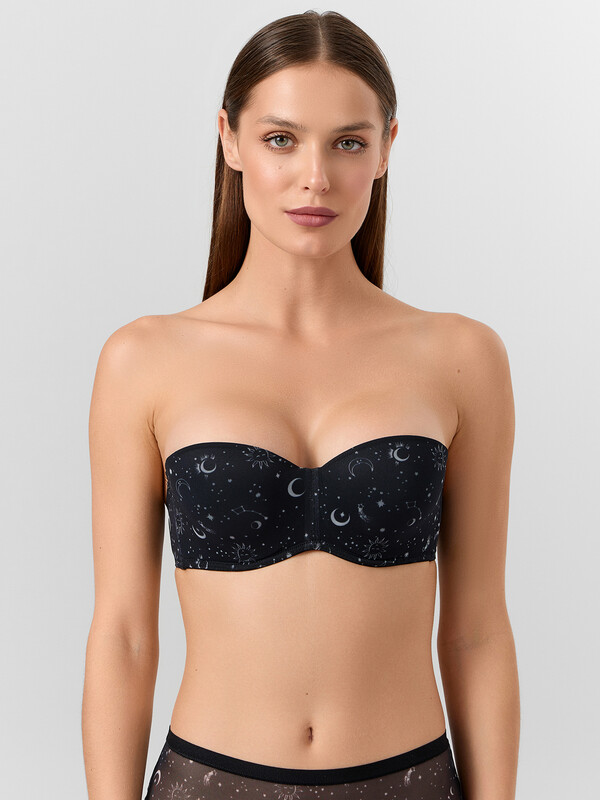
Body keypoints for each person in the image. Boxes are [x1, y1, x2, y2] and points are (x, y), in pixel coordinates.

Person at [82, 10, 520, 800]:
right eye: (281, 139)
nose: (315, 176)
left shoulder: (463, 359)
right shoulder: (143, 361)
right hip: (208, 781)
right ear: (230, 138)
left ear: (386, 148)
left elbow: (478, 632)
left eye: (348, 142)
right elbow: (122, 637)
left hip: (410, 782)